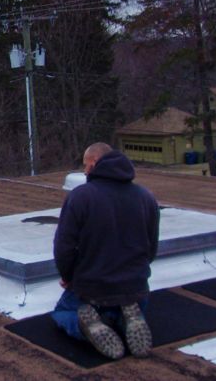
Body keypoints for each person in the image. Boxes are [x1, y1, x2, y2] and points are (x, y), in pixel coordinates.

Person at [51, 142, 160, 360]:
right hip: (136, 287)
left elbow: (63, 247)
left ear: (93, 163)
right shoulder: (146, 197)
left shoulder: (81, 196)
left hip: (93, 288)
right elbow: (151, 249)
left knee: (62, 313)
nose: (84, 170)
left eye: (85, 165)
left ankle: (87, 328)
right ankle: (124, 318)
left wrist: (68, 277)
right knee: (123, 304)